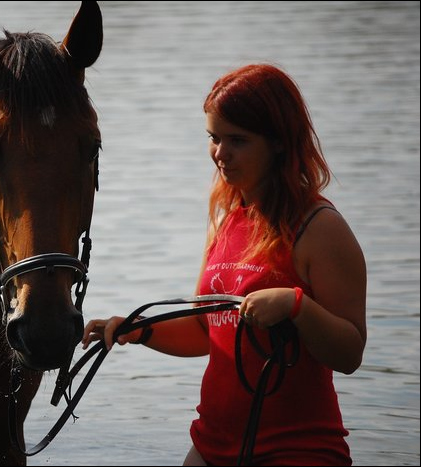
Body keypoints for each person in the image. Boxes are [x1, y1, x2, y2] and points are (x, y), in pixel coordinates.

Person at [82, 63, 366, 466]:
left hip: (297, 450)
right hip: (211, 445)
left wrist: (297, 306)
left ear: (279, 143)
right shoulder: (224, 216)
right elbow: (206, 330)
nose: (220, 153)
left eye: (238, 140)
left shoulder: (321, 228)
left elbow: (350, 352)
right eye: (214, 138)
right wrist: (138, 329)